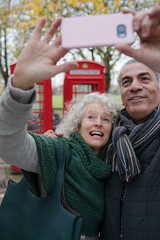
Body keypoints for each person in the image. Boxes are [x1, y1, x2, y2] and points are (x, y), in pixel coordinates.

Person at [0, 17, 121, 240]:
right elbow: (9, 146)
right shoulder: (59, 150)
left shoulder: (114, 166)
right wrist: (21, 87)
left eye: (106, 119)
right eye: (91, 116)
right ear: (77, 124)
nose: (97, 122)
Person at [100, 6, 160, 240]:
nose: (134, 86)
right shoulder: (105, 135)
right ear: (122, 92)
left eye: (144, 78)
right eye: (127, 81)